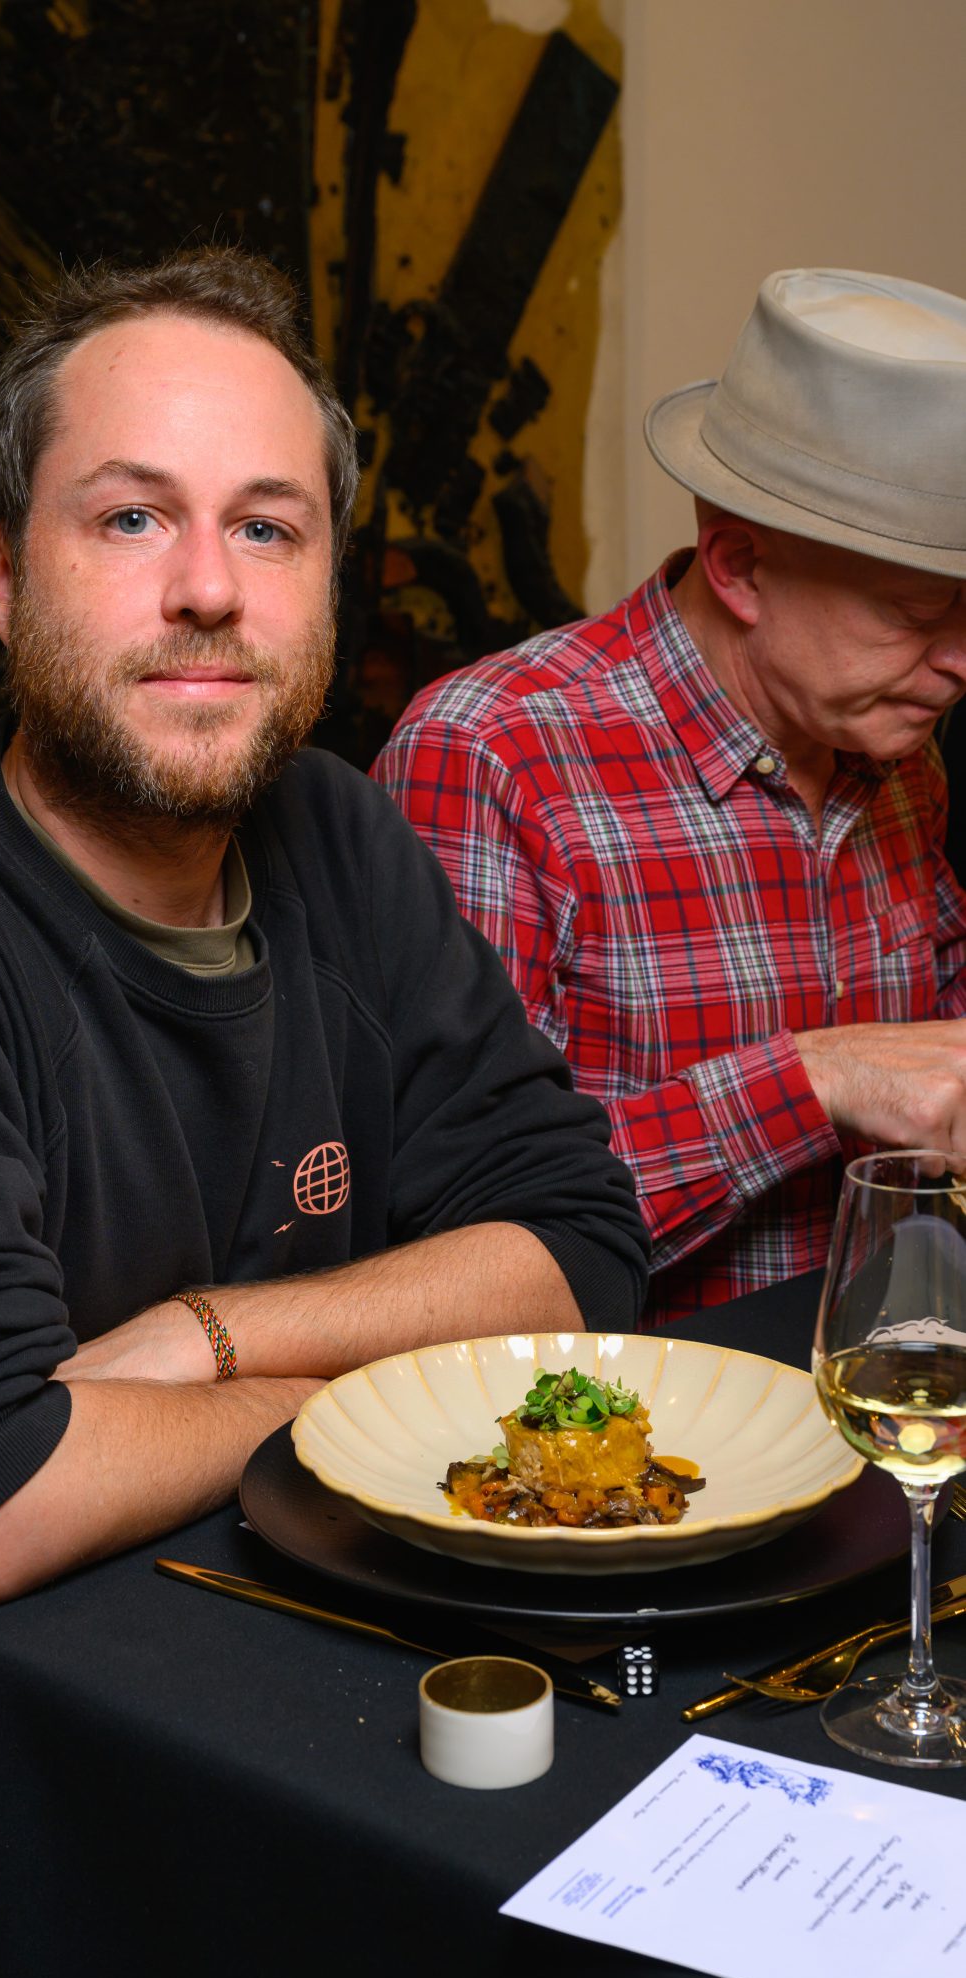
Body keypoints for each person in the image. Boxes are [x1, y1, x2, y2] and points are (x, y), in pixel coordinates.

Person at [0, 247, 647, 1978]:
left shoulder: (337, 834)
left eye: (269, 527)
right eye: (130, 517)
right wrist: (394, 1385)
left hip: (293, 1664)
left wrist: (202, 1339)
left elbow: (576, 1244)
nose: (207, 587)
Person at [375, 268, 966, 1326]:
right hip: (629, 1417)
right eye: (917, 613)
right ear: (739, 568)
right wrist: (809, 1080)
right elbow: (452, 1224)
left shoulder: (897, 749)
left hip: (885, 1368)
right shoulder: (491, 757)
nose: (960, 661)